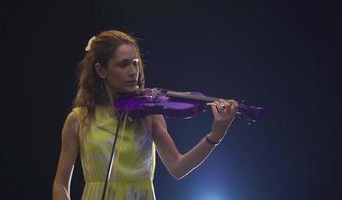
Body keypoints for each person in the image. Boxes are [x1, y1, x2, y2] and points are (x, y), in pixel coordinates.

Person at [52, 30, 238, 200]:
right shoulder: (78, 119)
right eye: (123, 65)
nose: (133, 72)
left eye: (135, 64)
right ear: (101, 70)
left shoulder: (149, 114)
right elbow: (61, 184)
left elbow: (178, 167)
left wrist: (216, 135)